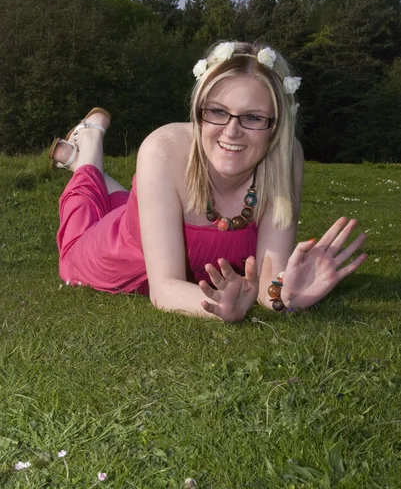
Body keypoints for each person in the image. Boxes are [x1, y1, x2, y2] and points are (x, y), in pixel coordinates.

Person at [49, 41, 367, 321]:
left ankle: (95, 167)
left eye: (253, 118)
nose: (231, 132)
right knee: (82, 215)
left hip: (146, 205)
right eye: (217, 112)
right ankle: (87, 153)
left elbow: (269, 280)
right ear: (199, 109)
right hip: (116, 252)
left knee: (125, 201)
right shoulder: (163, 149)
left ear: (277, 126)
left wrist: (284, 296)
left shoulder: (286, 158)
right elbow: (165, 288)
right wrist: (218, 309)